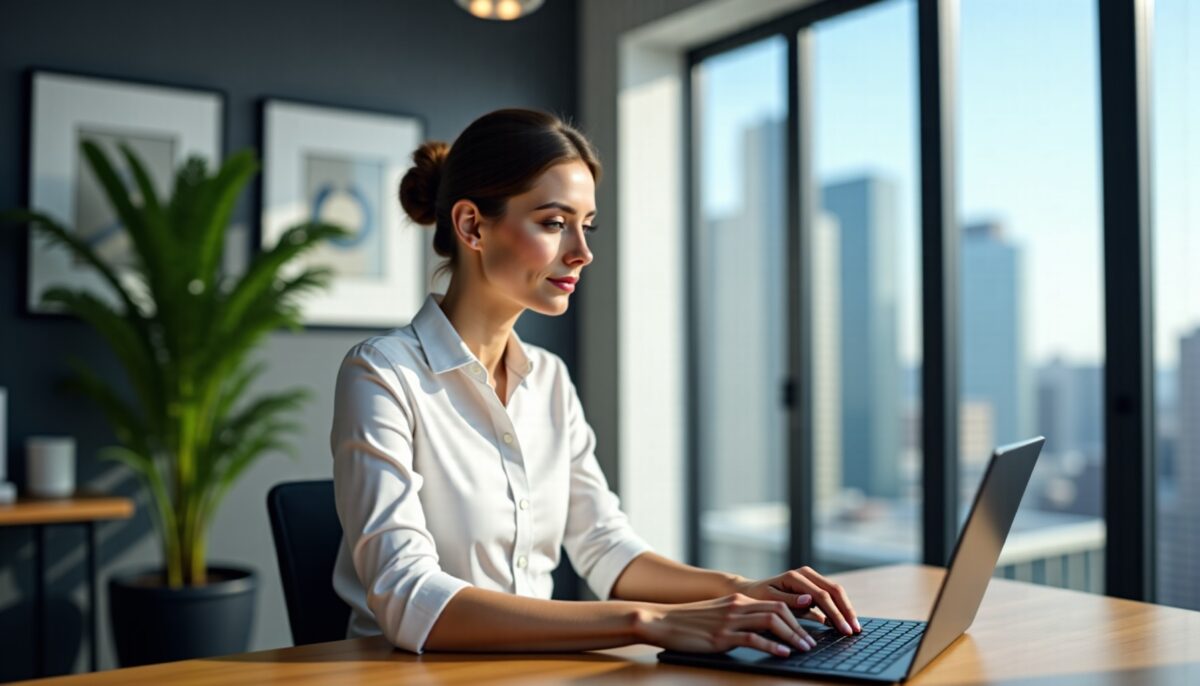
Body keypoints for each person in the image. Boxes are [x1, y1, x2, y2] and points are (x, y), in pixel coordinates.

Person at [329, 108, 861, 658]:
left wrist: (741, 591)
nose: (583, 252)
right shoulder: (382, 374)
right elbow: (408, 596)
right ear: (471, 226)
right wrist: (647, 623)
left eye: (587, 225)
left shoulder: (550, 381)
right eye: (555, 223)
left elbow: (605, 547)